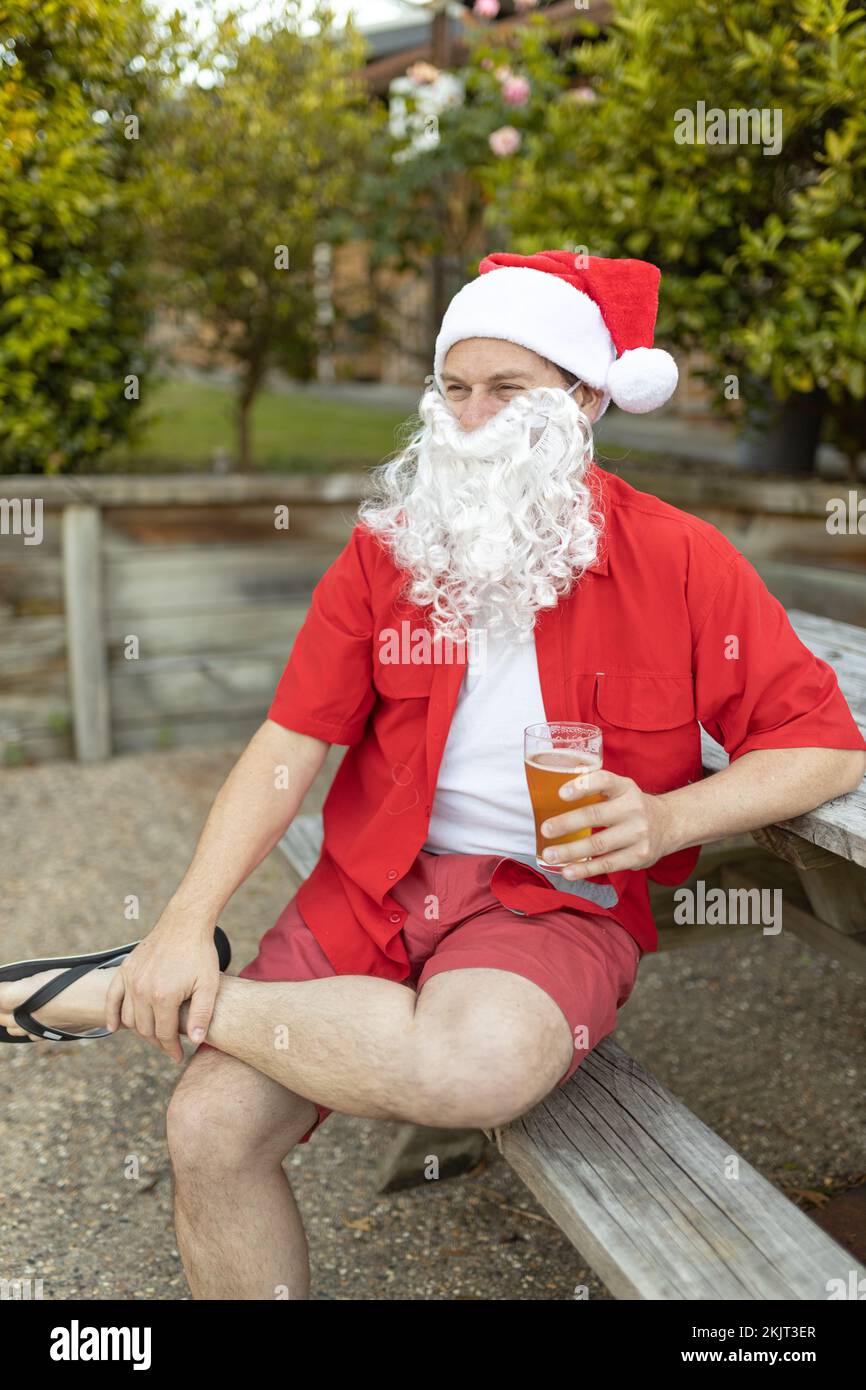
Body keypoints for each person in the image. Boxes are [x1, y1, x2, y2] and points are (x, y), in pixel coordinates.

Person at [2, 250, 865, 1301]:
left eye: (506, 390)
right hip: (375, 884)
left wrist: (668, 815)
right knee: (208, 1127)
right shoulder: (388, 552)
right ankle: (163, 973)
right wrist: (187, 917)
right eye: (452, 388)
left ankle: (109, 993)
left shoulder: (680, 558)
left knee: (475, 1066)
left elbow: (820, 743)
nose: (469, 417)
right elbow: (287, 745)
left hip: (552, 900)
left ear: (585, 398)